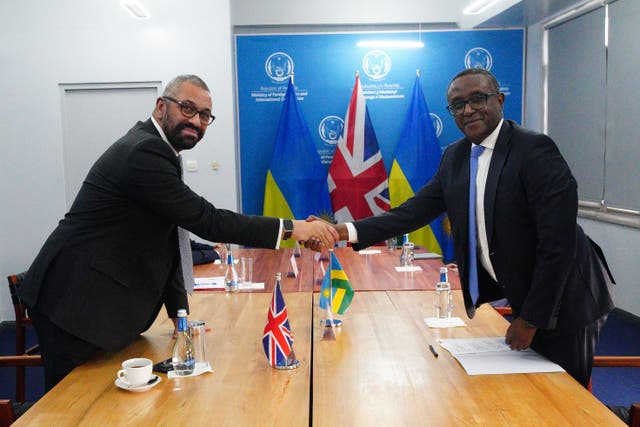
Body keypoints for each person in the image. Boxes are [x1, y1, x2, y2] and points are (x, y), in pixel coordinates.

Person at [19, 74, 338, 391]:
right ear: (161, 107)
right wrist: (294, 228)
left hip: (101, 303)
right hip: (74, 302)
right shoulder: (144, 152)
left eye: (204, 116)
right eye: (187, 108)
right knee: (71, 406)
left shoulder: (160, 152)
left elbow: (171, 236)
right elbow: (207, 220)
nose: (196, 121)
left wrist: (179, 316)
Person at [323, 68, 615, 388]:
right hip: (526, 293)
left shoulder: (534, 151)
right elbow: (412, 212)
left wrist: (531, 319)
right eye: (457, 104)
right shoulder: (455, 157)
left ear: (499, 101)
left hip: (567, 297)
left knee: (563, 396)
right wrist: (342, 231)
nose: (468, 110)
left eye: (478, 99)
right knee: (530, 390)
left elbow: (557, 245)